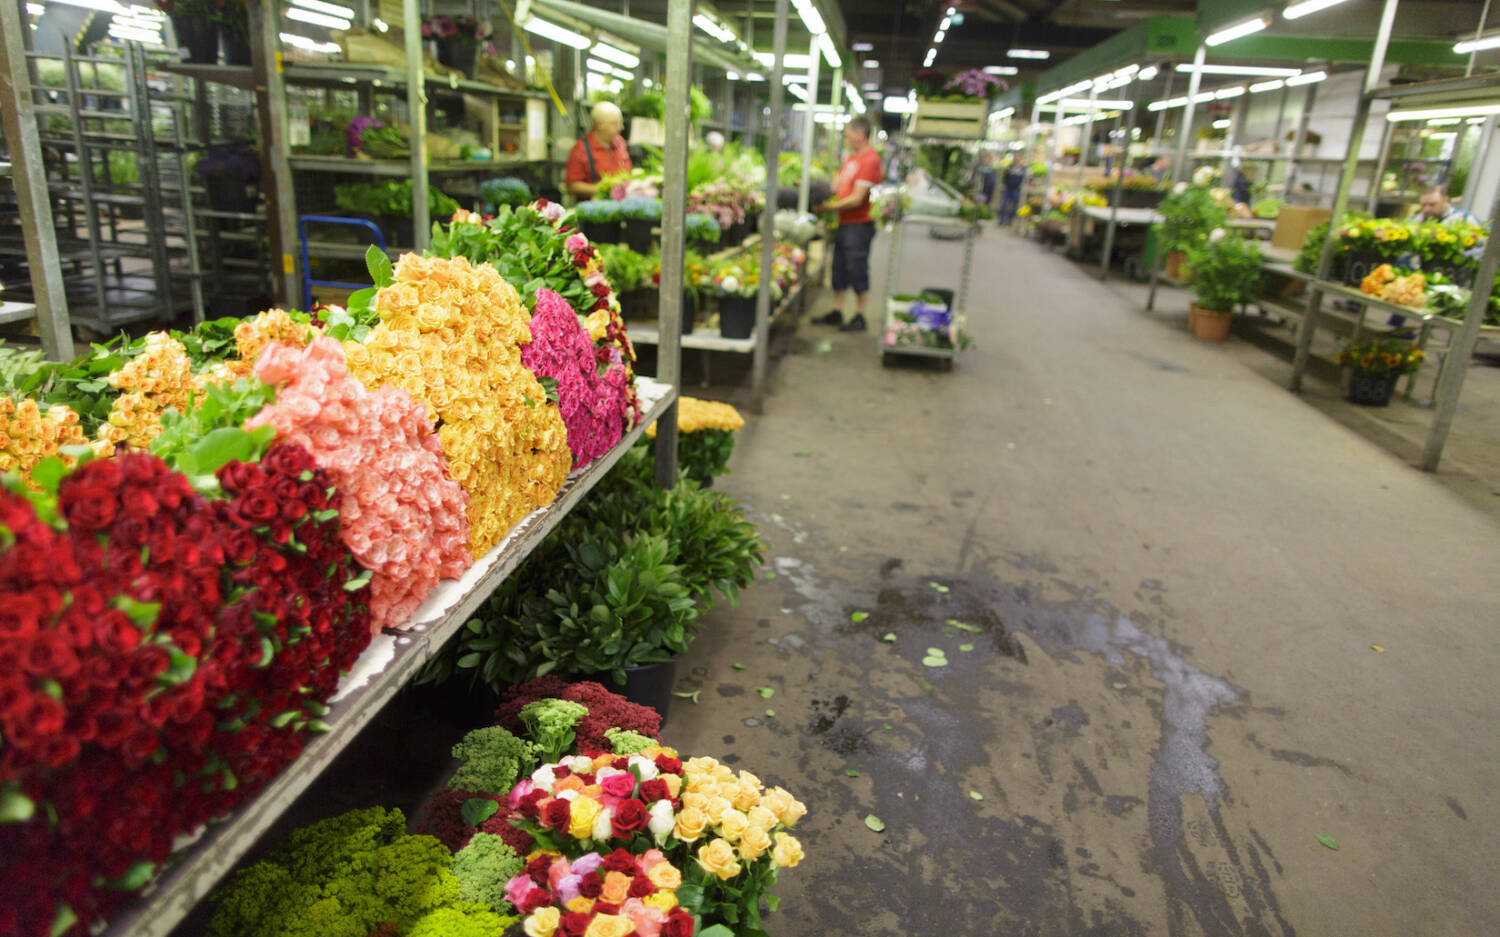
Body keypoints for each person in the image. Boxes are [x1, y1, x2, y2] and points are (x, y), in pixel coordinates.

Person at [812, 116, 883, 332]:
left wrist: (827, 209)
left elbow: (857, 199)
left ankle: (860, 316)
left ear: (861, 135)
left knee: (857, 268)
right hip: (844, 223)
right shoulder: (851, 158)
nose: (847, 138)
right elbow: (837, 186)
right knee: (839, 267)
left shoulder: (870, 160)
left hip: (859, 225)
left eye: (849, 135)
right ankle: (837, 310)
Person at [565, 102, 631, 199]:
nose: (621, 127)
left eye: (620, 122)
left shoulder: (620, 142)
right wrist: (604, 189)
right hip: (596, 209)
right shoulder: (581, 149)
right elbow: (572, 186)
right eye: (614, 123)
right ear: (599, 124)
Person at [999, 159, 1025, 225]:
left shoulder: (1022, 169)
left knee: (1014, 206)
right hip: (1008, 188)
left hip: (1016, 189)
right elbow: (1005, 176)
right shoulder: (1010, 167)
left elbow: (1023, 178)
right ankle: (1002, 220)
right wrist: (1004, 184)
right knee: (1004, 204)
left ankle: (1010, 221)